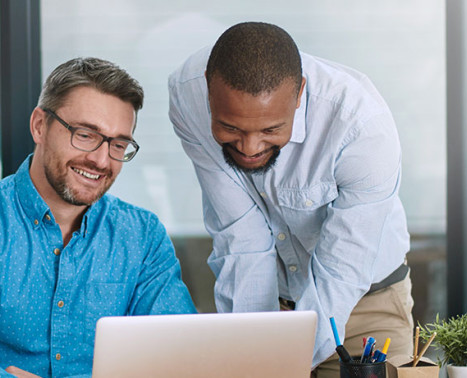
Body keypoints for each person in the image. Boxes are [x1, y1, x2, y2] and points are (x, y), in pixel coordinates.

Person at [0, 57, 197, 378]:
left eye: (118, 144)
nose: (101, 160)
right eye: (85, 135)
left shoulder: (142, 236)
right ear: (39, 126)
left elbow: (177, 356)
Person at [168, 22, 414, 377]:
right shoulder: (186, 94)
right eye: (232, 129)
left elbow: (343, 269)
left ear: (300, 94)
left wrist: (282, 358)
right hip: (269, 300)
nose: (249, 148)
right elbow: (241, 235)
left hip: (364, 307)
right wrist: (257, 346)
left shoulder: (361, 126)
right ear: (208, 88)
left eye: (270, 130)